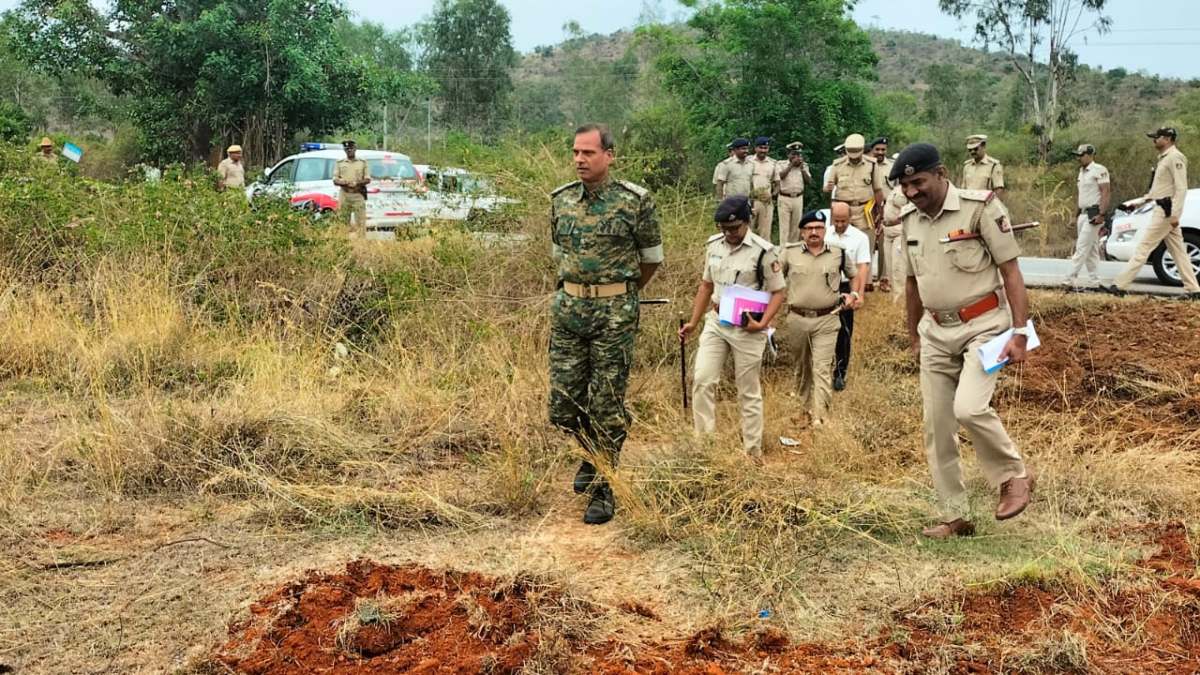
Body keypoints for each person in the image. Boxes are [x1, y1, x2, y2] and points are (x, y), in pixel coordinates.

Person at [894, 142, 1034, 539]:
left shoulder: (980, 208)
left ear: (941, 174)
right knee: (937, 427)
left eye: (918, 183)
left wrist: (1020, 332)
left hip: (987, 326)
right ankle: (956, 517)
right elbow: (911, 283)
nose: (911, 193)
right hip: (935, 333)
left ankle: (1014, 476)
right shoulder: (909, 220)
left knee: (970, 408)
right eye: (904, 187)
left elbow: (1011, 271)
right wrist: (913, 336)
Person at [550, 123, 663, 525]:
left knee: (607, 404)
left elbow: (651, 260)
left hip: (614, 315)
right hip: (568, 312)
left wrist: (620, 292)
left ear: (609, 155)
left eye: (588, 153)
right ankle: (590, 455)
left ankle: (604, 488)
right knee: (563, 406)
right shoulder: (561, 201)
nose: (580, 159)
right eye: (576, 152)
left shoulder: (635, 202)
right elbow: (560, 255)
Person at [680, 196, 785, 461]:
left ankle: (753, 453)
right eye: (723, 228)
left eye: (734, 228)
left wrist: (762, 324)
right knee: (703, 381)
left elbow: (779, 292)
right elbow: (706, 285)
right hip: (716, 322)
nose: (729, 233)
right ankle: (704, 447)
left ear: (747, 222)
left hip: (747, 328)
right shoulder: (714, 246)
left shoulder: (764, 250)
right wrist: (693, 322)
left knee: (747, 390)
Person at [781, 210, 861, 427]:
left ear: (825, 230)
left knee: (822, 367)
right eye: (809, 229)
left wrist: (853, 294)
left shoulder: (838, 253)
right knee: (802, 367)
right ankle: (803, 410)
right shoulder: (789, 253)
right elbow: (774, 281)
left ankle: (820, 417)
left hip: (827, 318)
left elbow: (854, 275)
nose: (814, 232)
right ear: (802, 232)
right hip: (797, 318)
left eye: (818, 228)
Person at [1103, 128, 1200, 298]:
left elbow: (1181, 188)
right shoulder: (1164, 158)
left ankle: (1119, 286)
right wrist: (1137, 203)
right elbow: (1158, 191)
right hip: (1162, 208)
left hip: (1166, 212)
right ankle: (1193, 290)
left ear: (1168, 139)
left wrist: (1175, 215)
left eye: (1157, 137)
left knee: (1143, 247)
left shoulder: (1175, 158)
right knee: (1178, 252)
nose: (1154, 140)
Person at [828, 134, 886, 286]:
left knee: (866, 244)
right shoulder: (837, 165)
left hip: (864, 209)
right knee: (839, 243)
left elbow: (878, 190)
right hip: (843, 209)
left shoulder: (872, 165)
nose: (853, 157)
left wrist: (880, 213)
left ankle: (865, 282)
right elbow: (829, 190)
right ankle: (838, 279)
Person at [826, 201, 870, 392]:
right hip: (825, 285)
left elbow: (862, 267)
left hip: (846, 285)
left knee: (844, 332)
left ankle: (840, 373)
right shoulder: (824, 234)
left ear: (850, 218)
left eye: (844, 221)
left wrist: (859, 294)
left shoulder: (859, 237)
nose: (840, 224)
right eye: (836, 220)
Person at [1062, 144, 1110, 290]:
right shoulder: (1081, 172)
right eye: (1078, 155)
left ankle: (1068, 280)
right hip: (1083, 214)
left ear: (1090, 155)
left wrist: (1102, 214)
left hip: (1093, 214)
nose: (1079, 158)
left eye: (1081, 155)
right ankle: (1095, 282)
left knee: (1082, 247)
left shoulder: (1099, 170)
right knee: (1091, 250)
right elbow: (1081, 196)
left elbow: (1106, 192)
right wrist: (1075, 216)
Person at [872, 137, 896, 292]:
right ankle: (865, 280)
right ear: (872, 150)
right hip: (866, 209)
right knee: (866, 244)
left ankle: (884, 279)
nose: (880, 152)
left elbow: (898, 189)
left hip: (885, 209)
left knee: (883, 245)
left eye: (883, 150)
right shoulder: (866, 165)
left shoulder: (893, 167)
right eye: (877, 149)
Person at [333, 140, 371, 234]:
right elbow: (335, 179)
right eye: (347, 149)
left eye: (351, 149)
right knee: (343, 221)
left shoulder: (362, 162)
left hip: (358, 194)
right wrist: (343, 182)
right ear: (344, 150)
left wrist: (357, 183)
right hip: (344, 195)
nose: (349, 151)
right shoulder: (340, 163)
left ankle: (361, 244)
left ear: (355, 149)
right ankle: (343, 244)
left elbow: (367, 179)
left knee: (361, 222)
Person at [777, 142, 811, 244]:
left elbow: (809, 181)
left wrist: (802, 169)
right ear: (789, 155)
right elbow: (780, 176)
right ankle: (783, 250)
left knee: (796, 227)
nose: (797, 157)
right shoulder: (781, 164)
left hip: (798, 198)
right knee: (784, 227)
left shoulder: (804, 166)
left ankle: (793, 249)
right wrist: (791, 165)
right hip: (784, 198)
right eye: (794, 154)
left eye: (798, 154)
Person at [749, 137, 780, 242]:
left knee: (765, 233)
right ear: (755, 148)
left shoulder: (773, 163)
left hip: (766, 202)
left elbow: (777, 184)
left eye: (765, 148)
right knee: (748, 231)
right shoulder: (748, 161)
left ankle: (765, 256)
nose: (763, 150)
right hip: (750, 201)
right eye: (760, 148)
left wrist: (772, 195)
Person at [961, 135, 1005, 201]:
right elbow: (963, 189)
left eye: (975, 149)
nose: (972, 152)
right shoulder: (967, 166)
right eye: (970, 150)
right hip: (969, 205)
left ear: (983, 146)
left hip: (985, 206)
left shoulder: (994, 165)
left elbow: (998, 190)